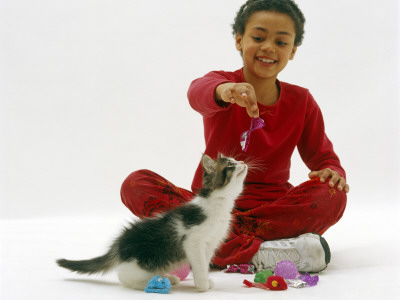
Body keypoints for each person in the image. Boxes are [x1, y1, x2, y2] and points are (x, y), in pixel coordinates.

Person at [121, 0, 349, 273]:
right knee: (136, 184)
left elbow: (322, 157)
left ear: (292, 51)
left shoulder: (301, 100)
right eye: (258, 37)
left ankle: (213, 245)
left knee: (333, 192)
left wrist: (332, 172)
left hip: (271, 212)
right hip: (211, 207)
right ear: (239, 40)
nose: (268, 47)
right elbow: (198, 93)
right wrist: (226, 91)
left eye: (281, 42)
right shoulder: (219, 83)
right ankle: (260, 253)